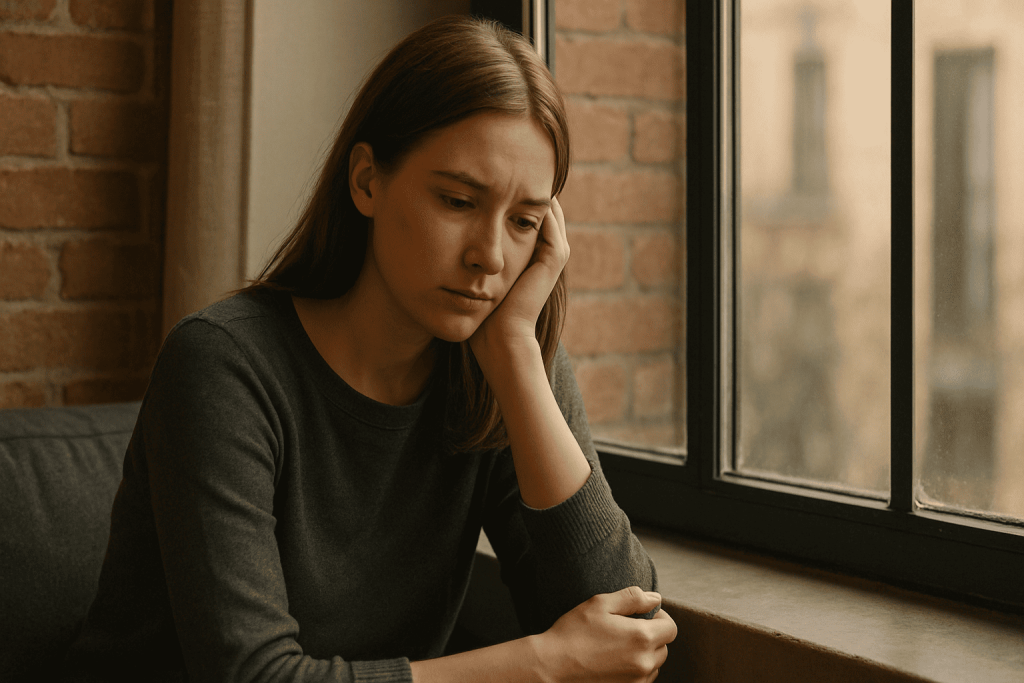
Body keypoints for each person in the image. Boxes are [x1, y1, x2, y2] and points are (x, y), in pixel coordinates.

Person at [63, 14, 677, 683]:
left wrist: (518, 362)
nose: (490, 255)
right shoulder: (223, 364)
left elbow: (632, 633)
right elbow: (253, 675)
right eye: (457, 200)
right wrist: (540, 662)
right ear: (366, 181)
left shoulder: (502, 361)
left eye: (524, 220)